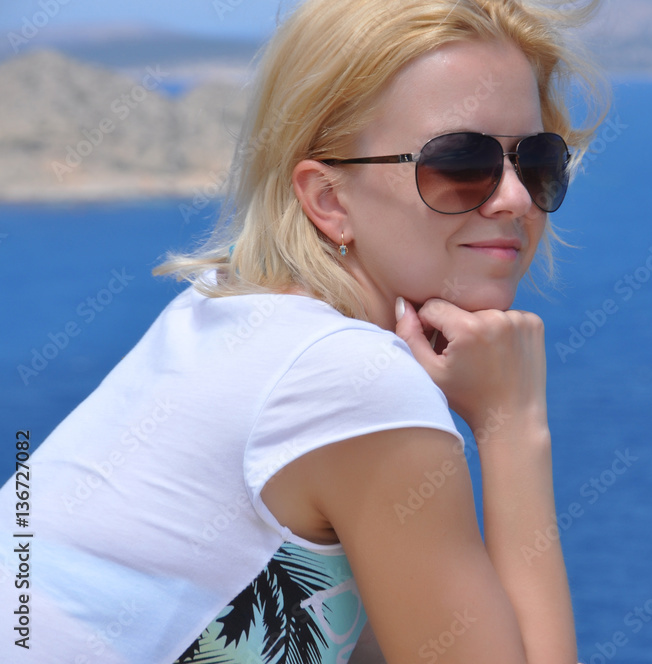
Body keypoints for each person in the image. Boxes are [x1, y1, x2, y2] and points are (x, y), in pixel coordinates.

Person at [0, 0, 607, 662]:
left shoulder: (226, 313)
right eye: (462, 162)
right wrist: (512, 424)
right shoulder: (349, 380)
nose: (515, 198)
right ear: (328, 199)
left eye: (537, 161)